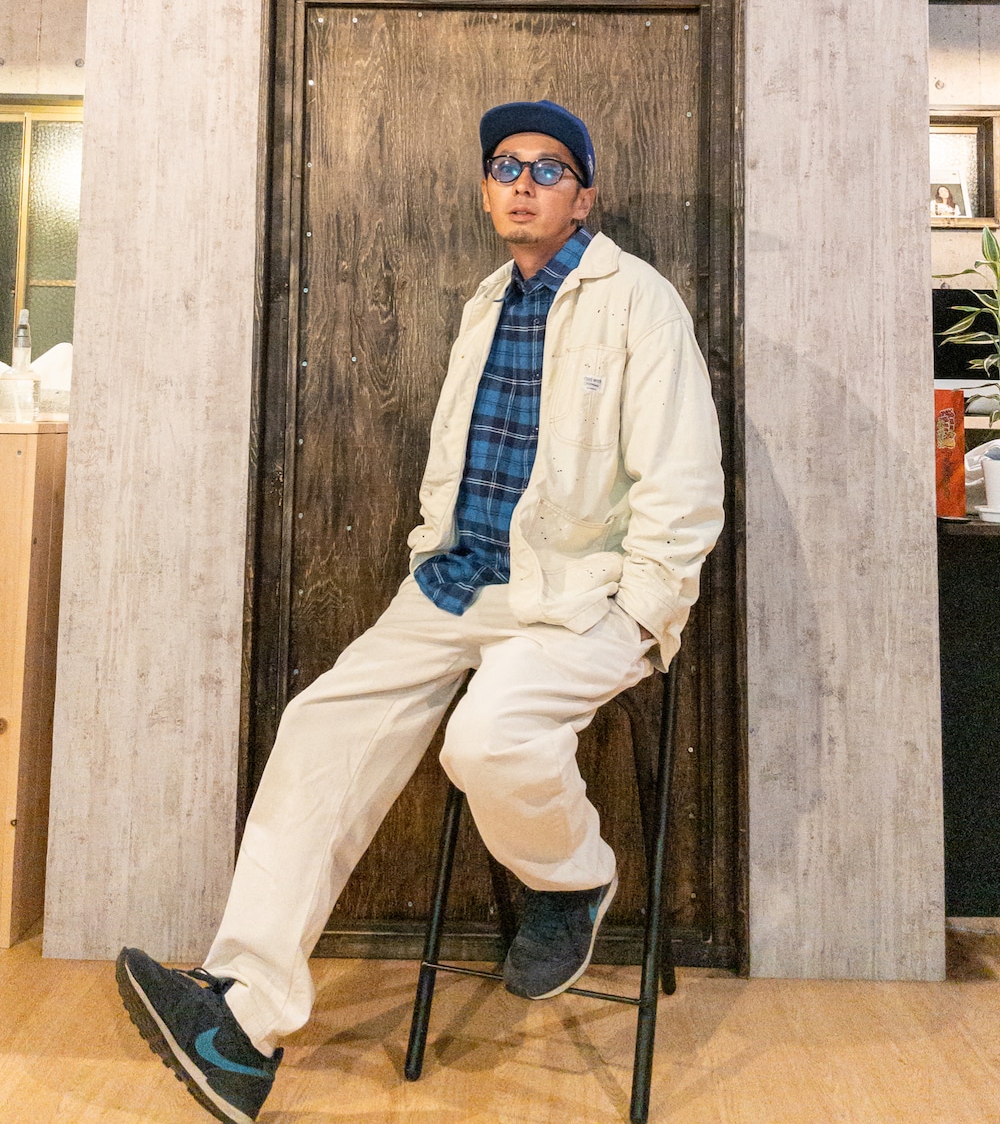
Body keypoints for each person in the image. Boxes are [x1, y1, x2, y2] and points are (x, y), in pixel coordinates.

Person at [116, 99, 725, 1124]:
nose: (523, 183)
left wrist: (640, 609)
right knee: (320, 723)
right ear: (486, 191)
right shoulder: (487, 302)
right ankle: (241, 1021)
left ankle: (573, 879)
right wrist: (427, 551)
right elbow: (458, 456)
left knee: (486, 739)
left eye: (548, 167)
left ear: (583, 196)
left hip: (580, 596)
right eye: (505, 166)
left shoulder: (640, 303)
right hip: (457, 581)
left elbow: (685, 481)